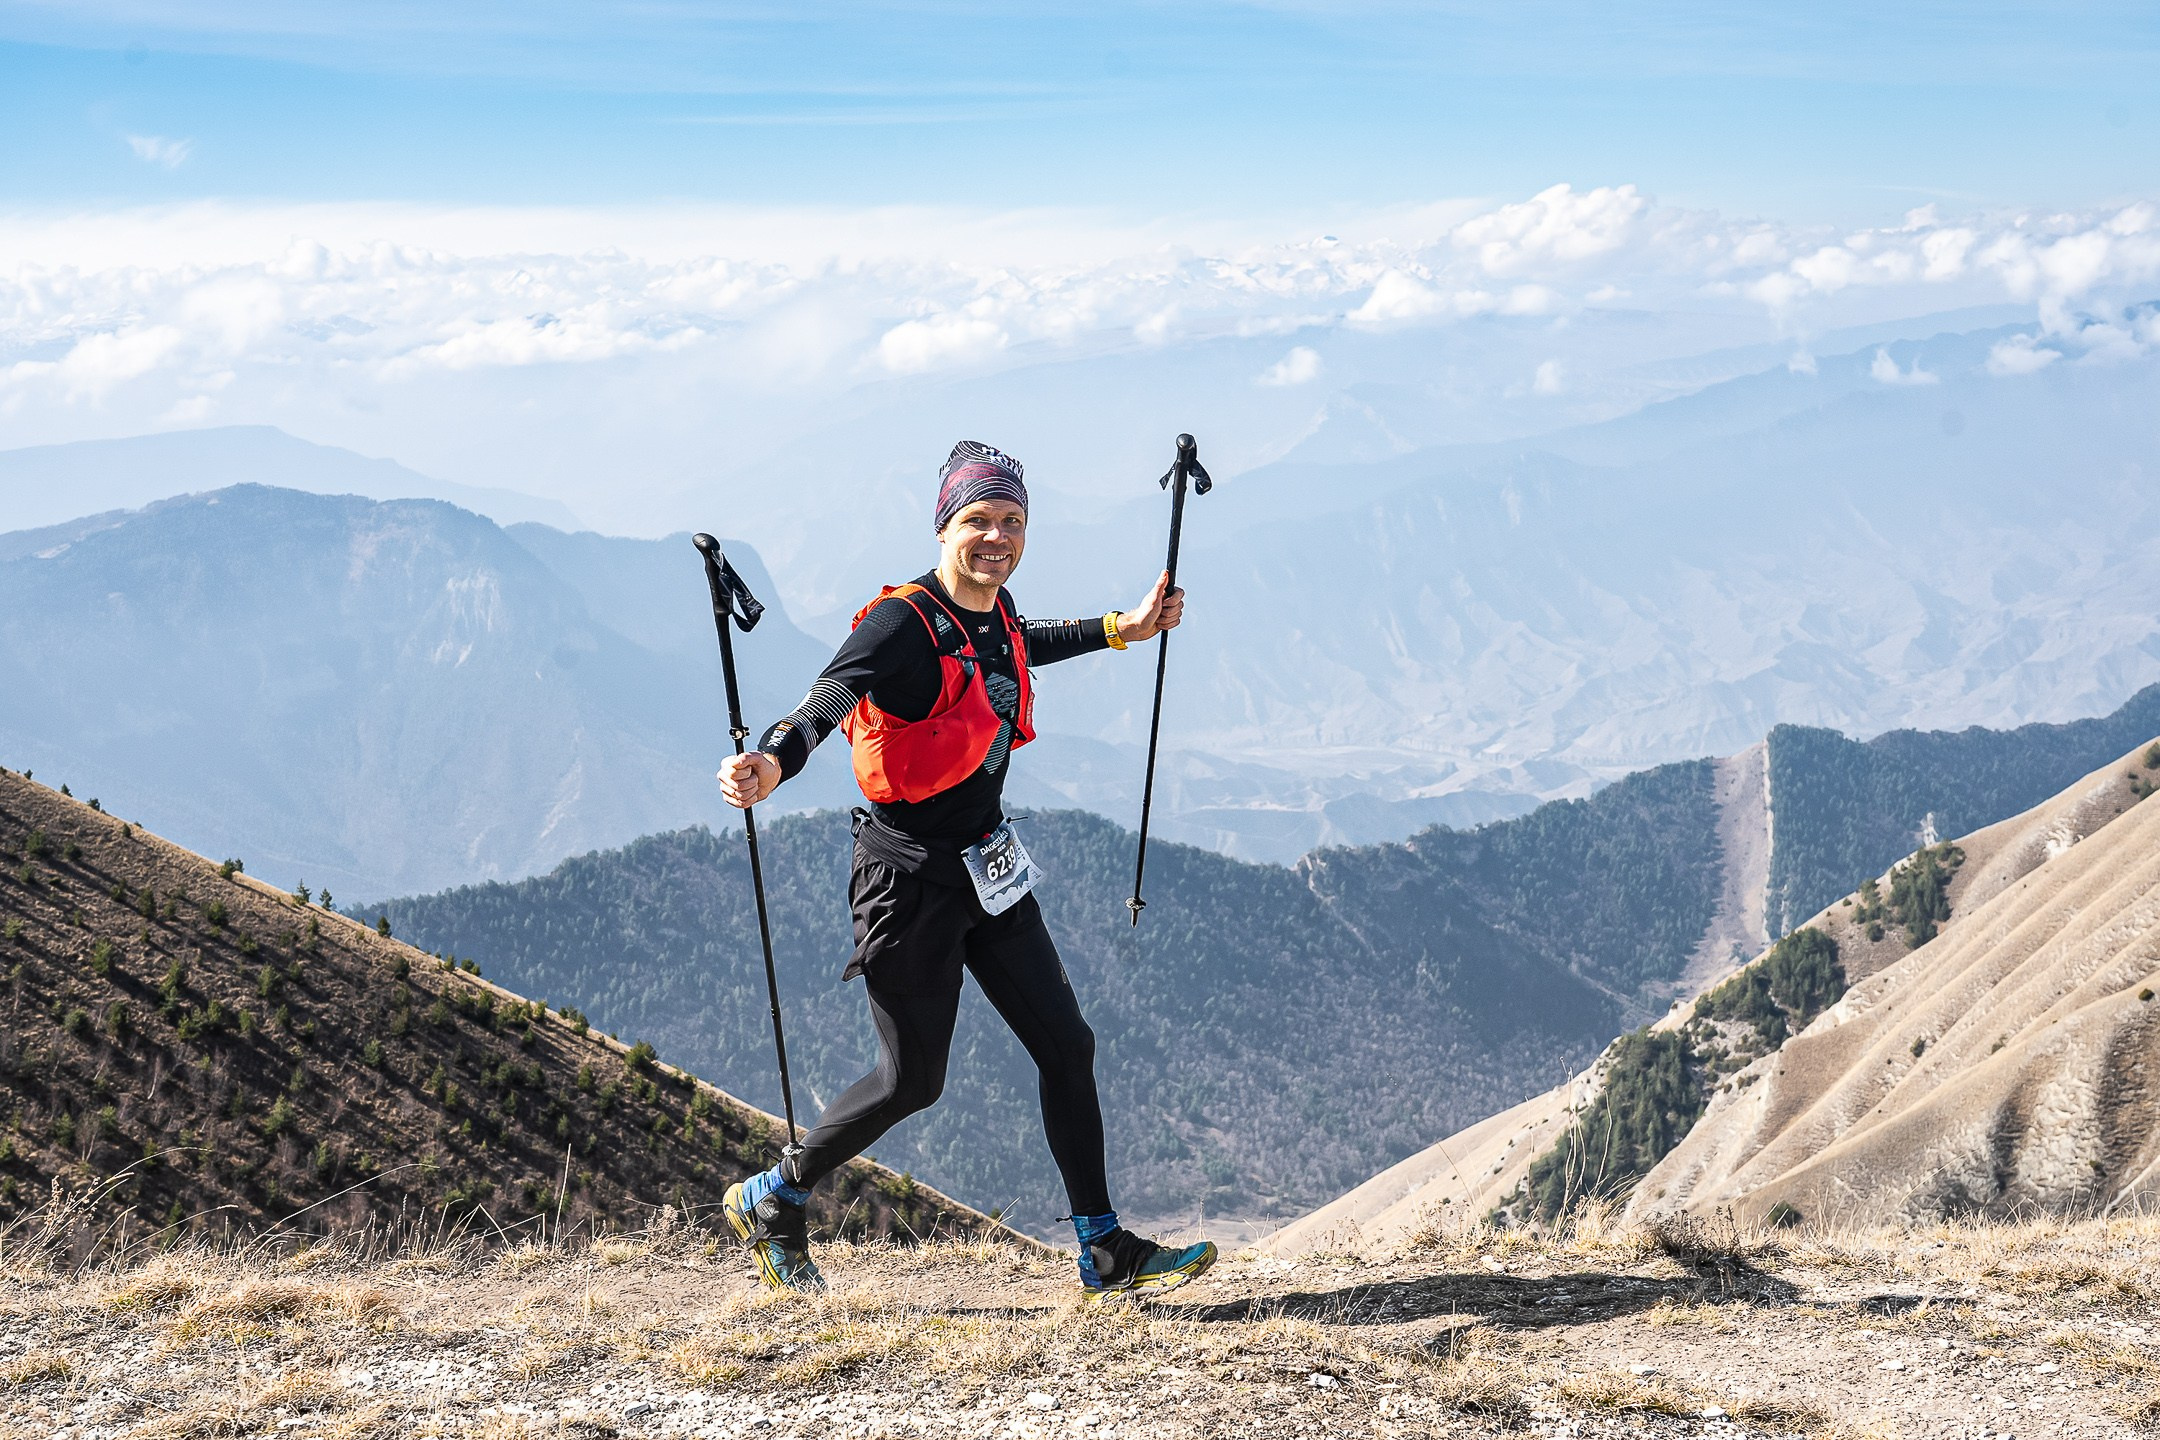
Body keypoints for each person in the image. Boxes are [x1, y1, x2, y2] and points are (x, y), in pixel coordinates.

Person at [715, 440, 1217, 1301]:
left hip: (987, 867)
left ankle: (1103, 1249)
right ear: (944, 524)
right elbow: (831, 697)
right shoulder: (901, 622)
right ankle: (776, 1194)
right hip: (906, 884)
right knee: (913, 1080)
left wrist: (1119, 630)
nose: (997, 537)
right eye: (978, 520)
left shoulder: (994, 606)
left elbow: (1018, 642)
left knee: (1067, 1044)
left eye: (1012, 521)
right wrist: (771, 762)